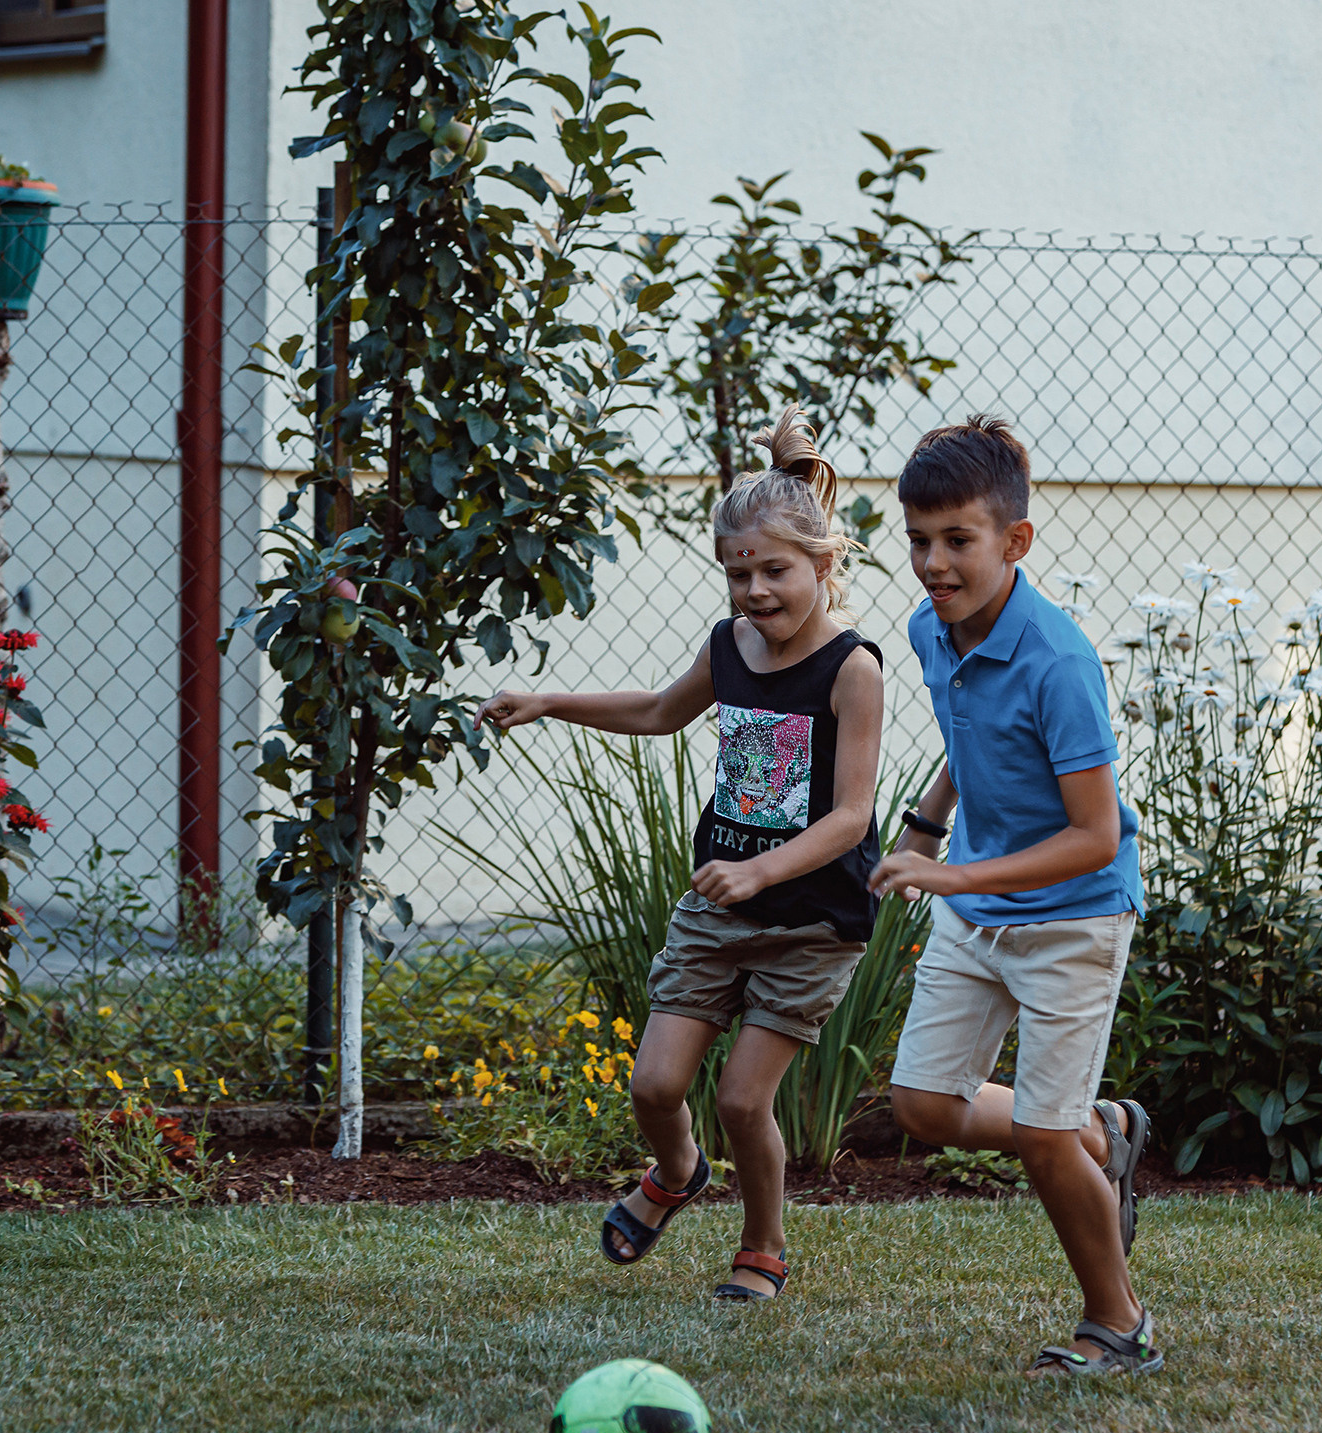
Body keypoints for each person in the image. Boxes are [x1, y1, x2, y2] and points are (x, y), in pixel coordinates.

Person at [479, 406, 886, 1303]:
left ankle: (764, 1243)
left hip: (811, 921)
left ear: (823, 565)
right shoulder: (729, 646)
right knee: (656, 1083)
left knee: (745, 1097)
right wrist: (549, 700)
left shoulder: (853, 668)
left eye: (775, 570)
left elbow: (853, 815)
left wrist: (762, 869)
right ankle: (676, 1171)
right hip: (721, 910)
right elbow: (661, 712)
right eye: (738, 573)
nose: (755, 593)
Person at [867, 413, 1158, 1375]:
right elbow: (971, 734)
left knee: (1037, 1137)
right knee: (923, 1102)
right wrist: (928, 819)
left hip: (1074, 916)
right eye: (918, 540)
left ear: (1015, 542)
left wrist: (949, 873)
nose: (933, 564)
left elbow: (1094, 834)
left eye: (958, 541)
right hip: (978, 907)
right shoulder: (932, 627)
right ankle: (1098, 1130)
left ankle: (1118, 1323)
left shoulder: (1060, 662)